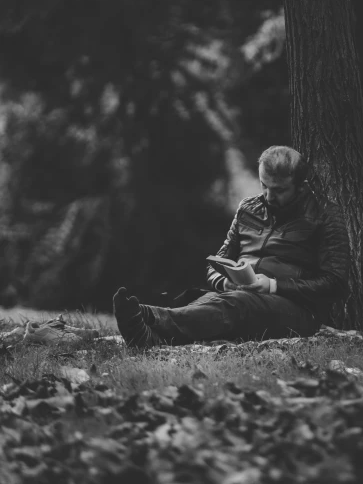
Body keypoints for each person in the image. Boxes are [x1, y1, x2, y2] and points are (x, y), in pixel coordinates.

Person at [113, 145, 349, 348]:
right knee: (209, 302)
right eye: (264, 185)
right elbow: (216, 264)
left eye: (279, 190)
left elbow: (335, 283)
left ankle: (147, 315)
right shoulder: (248, 209)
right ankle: (149, 336)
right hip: (237, 296)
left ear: (301, 186)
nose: (268, 195)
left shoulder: (325, 215)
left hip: (296, 310)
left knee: (236, 304)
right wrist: (226, 281)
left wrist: (274, 286)